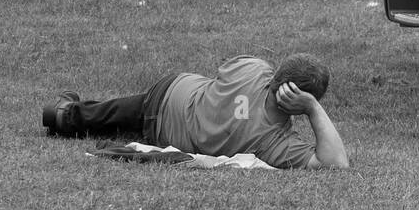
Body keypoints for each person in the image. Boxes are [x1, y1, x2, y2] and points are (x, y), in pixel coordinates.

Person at [41, 54, 348, 170]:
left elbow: (223, 69)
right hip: (161, 132)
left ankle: (66, 113)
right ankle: (69, 113)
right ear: (302, 97)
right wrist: (313, 109)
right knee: (118, 123)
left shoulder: (252, 68)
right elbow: (335, 162)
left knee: (110, 116)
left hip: (168, 93)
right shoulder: (275, 143)